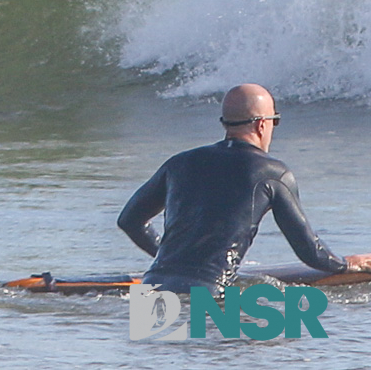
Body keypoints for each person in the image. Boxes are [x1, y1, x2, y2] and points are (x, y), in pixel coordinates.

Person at [118, 83, 371, 293]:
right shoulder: (273, 172)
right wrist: (346, 265)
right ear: (262, 124)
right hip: (208, 295)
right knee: (270, 348)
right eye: (276, 121)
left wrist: (170, 260)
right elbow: (309, 251)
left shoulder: (180, 162)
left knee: (165, 352)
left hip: (152, 286)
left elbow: (129, 220)